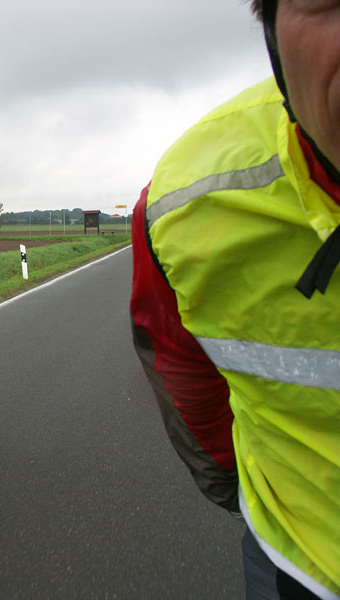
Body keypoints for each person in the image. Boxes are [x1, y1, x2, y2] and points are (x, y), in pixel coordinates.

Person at [130, 1, 340, 598]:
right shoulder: (184, 203)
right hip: (302, 561)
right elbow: (182, 372)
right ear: (272, 31)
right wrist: (239, 491)